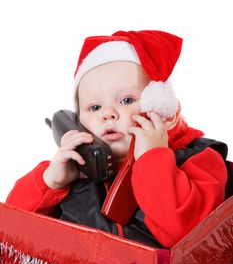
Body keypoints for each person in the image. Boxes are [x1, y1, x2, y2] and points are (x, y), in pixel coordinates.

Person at [6, 30, 228, 248]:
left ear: (166, 113)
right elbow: (10, 235)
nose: (108, 113)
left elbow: (185, 234)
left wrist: (153, 158)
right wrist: (50, 182)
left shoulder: (200, 160)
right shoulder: (73, 168)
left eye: (126, 100)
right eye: (94, 107)